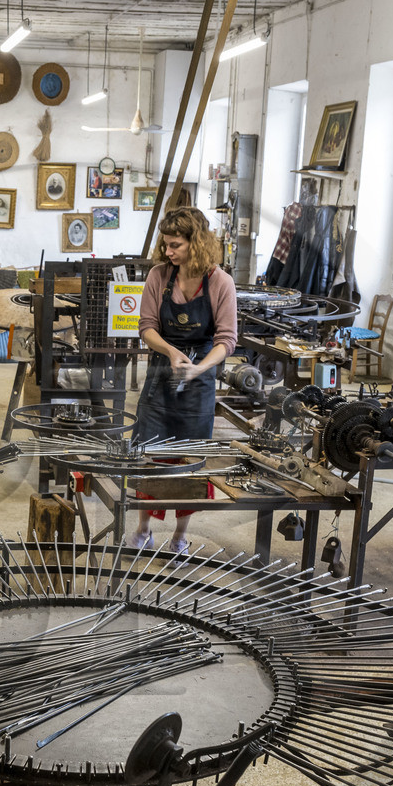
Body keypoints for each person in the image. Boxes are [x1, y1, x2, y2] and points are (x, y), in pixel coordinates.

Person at [128, 206, 238, 554]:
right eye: (165, 244)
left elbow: (226, 340)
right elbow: (147, 327)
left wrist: (199, 368)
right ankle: (144, 529)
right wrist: (171, 351)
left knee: (190, 463)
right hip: (160, 377)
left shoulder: (220, 282)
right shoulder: (159, 276)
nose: (168, 251)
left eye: (175, 245)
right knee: (150, 456)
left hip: (199, 381)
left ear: (197, 243)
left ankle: (179, 537)